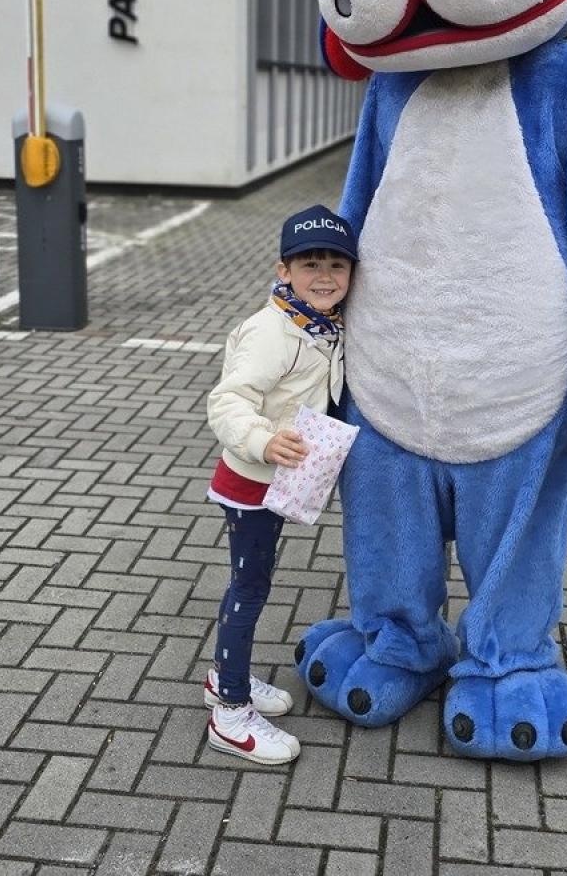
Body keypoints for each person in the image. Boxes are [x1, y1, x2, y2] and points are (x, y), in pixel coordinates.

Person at [202, 204, 356, 765]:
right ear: (282, 269)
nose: (324, 276)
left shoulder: (321, 323)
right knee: (248, 592)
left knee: (253, 585)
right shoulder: (275, 333)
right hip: (252, 482)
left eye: (337, 266)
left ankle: (225, 679)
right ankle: (231, 714)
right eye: (310, 263)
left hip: (276, 482)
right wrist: (263, 440)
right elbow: (227, 399)